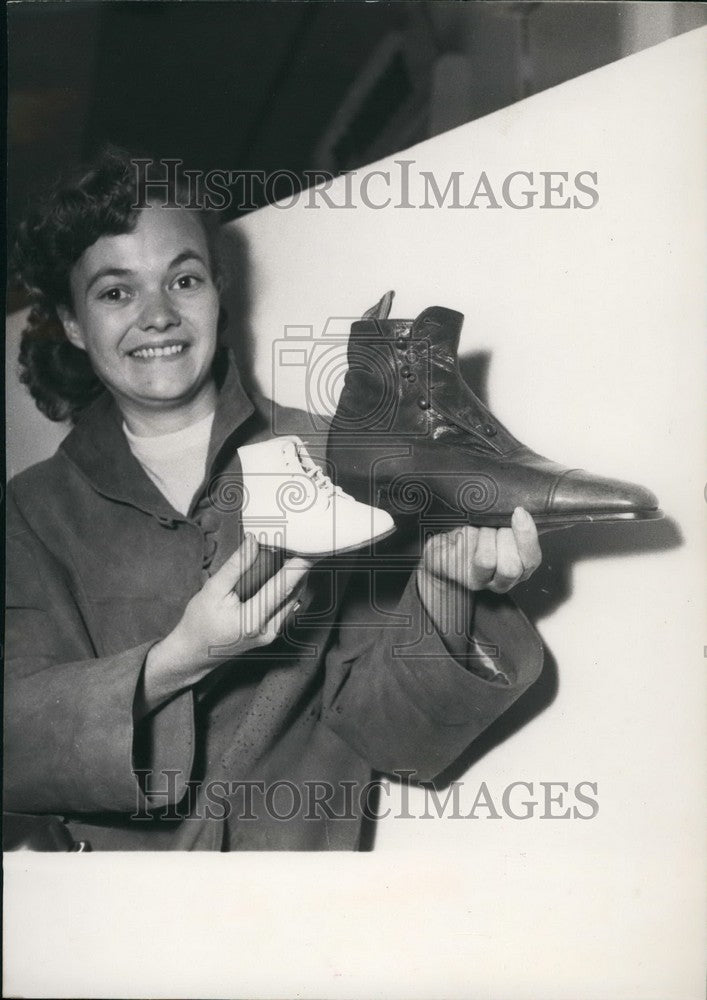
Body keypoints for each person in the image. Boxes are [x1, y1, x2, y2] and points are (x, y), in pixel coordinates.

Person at [5, 150, 544, 850]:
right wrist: (177, 660)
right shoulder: (30, 510)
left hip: (296, 916)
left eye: (184, 279)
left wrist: (442, 591)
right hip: (118, 924)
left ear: (218, 291)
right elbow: (15, 746)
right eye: (116, 293)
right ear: (74, 325)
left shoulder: (332, 455)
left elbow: (397, 736)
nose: (159, 314)